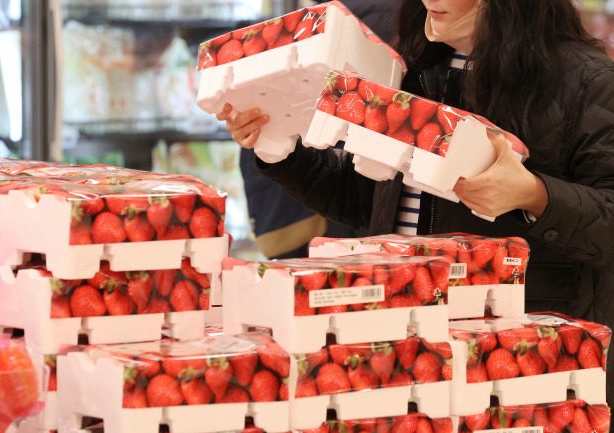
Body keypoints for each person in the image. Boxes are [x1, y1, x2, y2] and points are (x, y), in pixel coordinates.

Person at [220, 0, 614, 414]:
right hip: (405, 359)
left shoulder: (586, 82)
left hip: (527, 368)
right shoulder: (414, 70)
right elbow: (364, 204)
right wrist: (278, 149)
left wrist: (536, 195)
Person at [239, 0, 399, 259]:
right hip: (342, 213)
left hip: (337, 220)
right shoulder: (381, 21)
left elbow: (361, 196)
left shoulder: (367, 22)